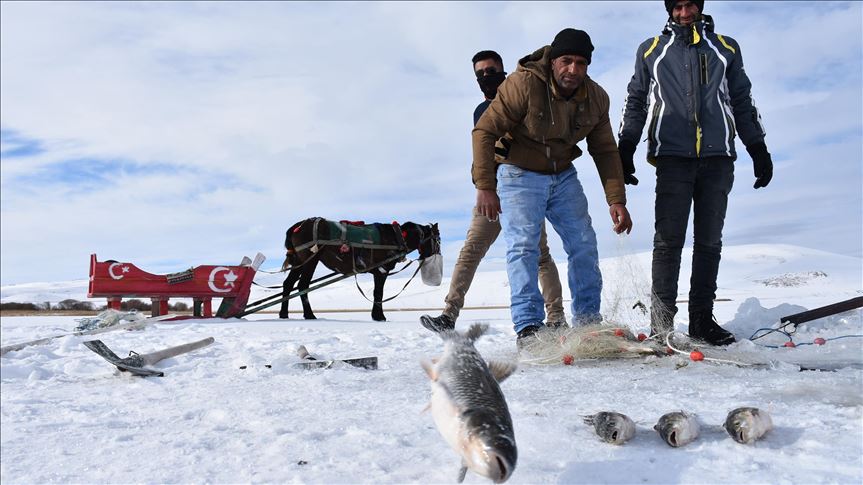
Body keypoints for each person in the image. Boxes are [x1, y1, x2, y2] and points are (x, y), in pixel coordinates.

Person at [618, 0, 774, 345]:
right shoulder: (651, 50)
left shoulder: (725, 48)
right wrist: (626, 145)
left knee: (708, 242)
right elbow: (636, 99)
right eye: (678, 6)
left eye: (691, 5)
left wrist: (757, 147)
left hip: (718, 158)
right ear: (669, 10)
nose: (685, 13)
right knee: (668, 242)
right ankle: (662, 326)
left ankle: (702, 320)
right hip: (673, 157)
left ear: (700, 7)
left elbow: (742, 100)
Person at [472, 29, 632, 348]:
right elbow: (484, 131)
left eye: (581, 63)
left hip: (562, 173)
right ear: (554, 60)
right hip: (517, 171)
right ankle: (529, 326)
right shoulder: (523, 84)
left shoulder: (596, 98)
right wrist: (485, 185)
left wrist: (617, 199)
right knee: (523, 245)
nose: (573, 69)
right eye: (566, 61)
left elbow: (604, 150)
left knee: (584, 242)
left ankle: (588, 322)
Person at [420, 50, 566, 333]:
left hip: (524, 191)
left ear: (503, 71)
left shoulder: (523, 98)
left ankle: (557, 319)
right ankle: (449, 315)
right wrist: (481, 184)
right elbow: (482, 153)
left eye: (492, 71)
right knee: (471, 251)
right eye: (481, 74)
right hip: (492, 193)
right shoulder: (480, 111)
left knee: (539, 255)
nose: (487, 77)